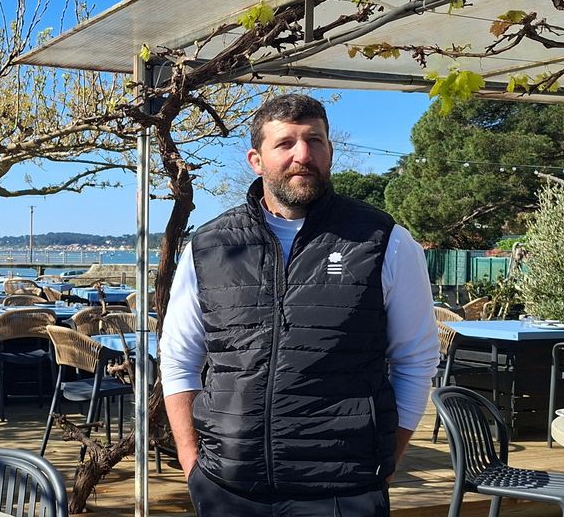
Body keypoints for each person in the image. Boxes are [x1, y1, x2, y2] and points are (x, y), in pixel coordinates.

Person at [160, 93, 439, 515]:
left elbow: (416, 359)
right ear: (256, 159)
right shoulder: (210, 246)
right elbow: (179, 357)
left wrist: (386, 458)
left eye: (315, 140)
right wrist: (190, 460)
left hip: (343, 490)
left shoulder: (384, 242)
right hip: (227, 485)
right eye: (285, 143)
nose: (303, 155)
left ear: (330, 151)